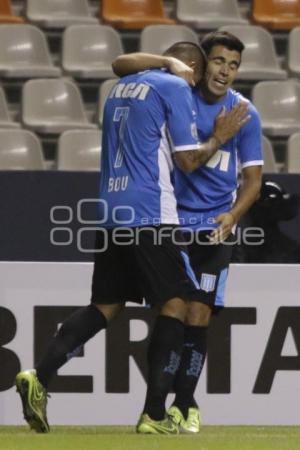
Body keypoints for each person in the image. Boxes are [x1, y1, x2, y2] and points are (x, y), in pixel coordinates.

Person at [15, 41, 249, 435]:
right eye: (199, 71)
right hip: (149, 212)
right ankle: (154, 414)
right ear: (188, 68)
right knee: (176, 303)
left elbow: (120, 62)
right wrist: (219, 137)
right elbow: (188, 161)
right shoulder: (174, 88)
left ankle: (39, 375)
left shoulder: (121, 88)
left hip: (110, 212)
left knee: (104, 306)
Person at [112, 31, 263, 433]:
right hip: (172, 225)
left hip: (216, 229)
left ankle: (185, 404)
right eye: (218, 62)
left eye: (233, 65)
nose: (225, 72)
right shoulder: (176, 96)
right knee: (171, 312)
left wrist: (233, 216)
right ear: (200, 66)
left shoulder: (245, 112)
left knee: (199, 315)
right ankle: (156, 409)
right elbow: (185, 163)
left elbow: (253, 179)